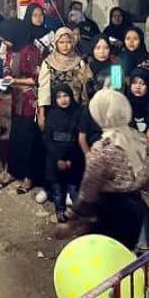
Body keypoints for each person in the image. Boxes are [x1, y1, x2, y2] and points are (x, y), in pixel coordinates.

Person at [69, 89, 149, 249]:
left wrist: (72, 216)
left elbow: (89, 191)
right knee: (125, 252)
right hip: (135, 210)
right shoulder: (141, 140)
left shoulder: (103, 148)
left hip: (108, 212)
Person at [0, 18, 43, 193]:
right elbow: (7, 70)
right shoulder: (11, 51)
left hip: (31, 102)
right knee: (15, 138)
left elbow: (36, 79)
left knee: (29, 139)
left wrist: (15, 81)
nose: (4, 43)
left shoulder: (32, 51)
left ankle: (29, 177)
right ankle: (13, 172)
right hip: (16, 100)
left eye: (5, 39)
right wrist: (9, 80)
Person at [43, 83, 83, 223]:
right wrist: (58, 159)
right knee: (58, 191)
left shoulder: (77, 113)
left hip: (73, 160)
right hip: (55, 162)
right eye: (59, 97)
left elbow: (79, 140)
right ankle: (60, 212)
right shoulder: (51, 115)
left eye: (65, 95)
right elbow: (47, 140)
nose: (63, 100)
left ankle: (79, 215)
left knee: (74, 190)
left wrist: (70, 160)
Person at [38, 27, 87, 132]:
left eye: (68, 42)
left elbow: (85, 88)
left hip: (75, 112)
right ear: (56, 43)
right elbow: (43, 89)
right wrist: (41, 113)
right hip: (53, 112)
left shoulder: (79, 63)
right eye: (61, 42)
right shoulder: (48, 63)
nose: (65, 46)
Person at [126, 68, 149, 134]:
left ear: (148, 85)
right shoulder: (124, 103)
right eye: (134, 83)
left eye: (142, 84)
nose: (138, 87)